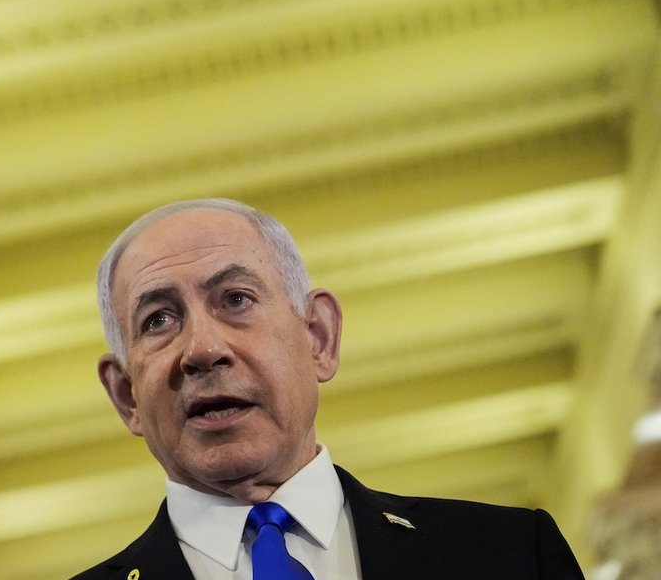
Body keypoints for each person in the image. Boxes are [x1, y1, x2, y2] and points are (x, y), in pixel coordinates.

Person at [72, 198, 584, 580]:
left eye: (236, 299)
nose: (203, 349)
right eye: (158, 319)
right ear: (126, 395)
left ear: (318, 336)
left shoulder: (510, 554)